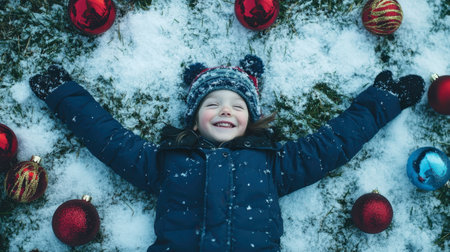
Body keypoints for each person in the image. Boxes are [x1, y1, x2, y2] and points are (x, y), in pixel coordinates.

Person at [29, 55, 424, 251]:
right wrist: (64, 95)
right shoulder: (165, 162)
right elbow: (109, 139)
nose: (225, 110)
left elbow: (333, 144)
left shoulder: (274, 164)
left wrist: (381, 102)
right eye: (212, 103)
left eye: (237, 105)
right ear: (194, 119)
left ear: (250, 119)